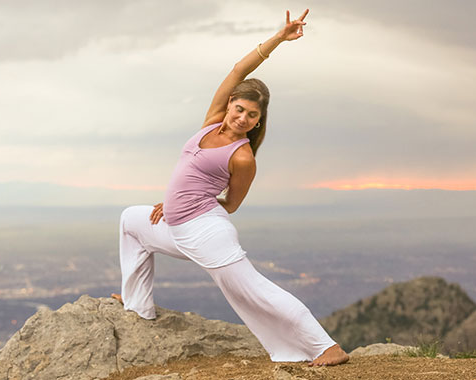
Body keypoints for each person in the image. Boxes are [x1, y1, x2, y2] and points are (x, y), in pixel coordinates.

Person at [111, 9, 349, 367]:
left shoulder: (243, 157)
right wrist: (278, 38)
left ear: (258, 121)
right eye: (239, 109)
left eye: (252, 116)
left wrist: (190, 203)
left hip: (207, 232)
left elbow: (231, 203)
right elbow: (238, 71)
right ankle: (138, 306)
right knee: (131, 222)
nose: (242, 118)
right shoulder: (210, 122)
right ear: (230, 107)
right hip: (176, 226)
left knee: (253, 291)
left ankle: (325, 346)